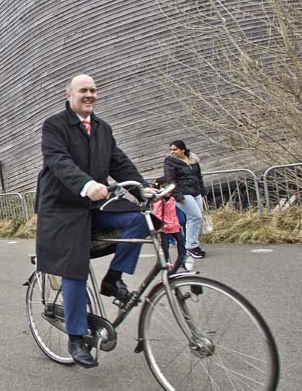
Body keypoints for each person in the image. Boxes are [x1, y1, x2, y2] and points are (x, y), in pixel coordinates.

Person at [35, 74, 154, 368]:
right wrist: (88, 185)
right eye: (83, 91)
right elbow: (59, 162)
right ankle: (77, 338)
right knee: (74, 267)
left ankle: (113, 280)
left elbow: (118, 162)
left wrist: (141, 187)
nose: (89, 95)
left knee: (138, 221)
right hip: (62, 208)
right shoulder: (54, 126)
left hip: (93, 206)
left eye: (93, 90)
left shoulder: (103, 128)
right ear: (69, 95)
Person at [163, 140, 206, 259]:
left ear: (182, 150)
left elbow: (199, 176)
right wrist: (177, 195)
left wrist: (202, 190)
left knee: (195, 218)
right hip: (183, 192)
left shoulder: (193, 160)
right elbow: (170, 179)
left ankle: (192, 245)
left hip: (196, 191)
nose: (172, 152)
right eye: (171, 149)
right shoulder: (170, 161)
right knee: (195, 217)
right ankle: (191, 247)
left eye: (175, 149)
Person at [151, 176, 189, 273]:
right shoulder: (159, 200)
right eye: (164, 186)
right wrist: (160, 225)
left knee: (181, 242)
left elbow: (173, 212)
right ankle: (165, 261)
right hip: (164, 226)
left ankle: (182, 259)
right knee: (165, 245)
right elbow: (157, 213)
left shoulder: (171, 198)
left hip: (174, 224)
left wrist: (177, 223)